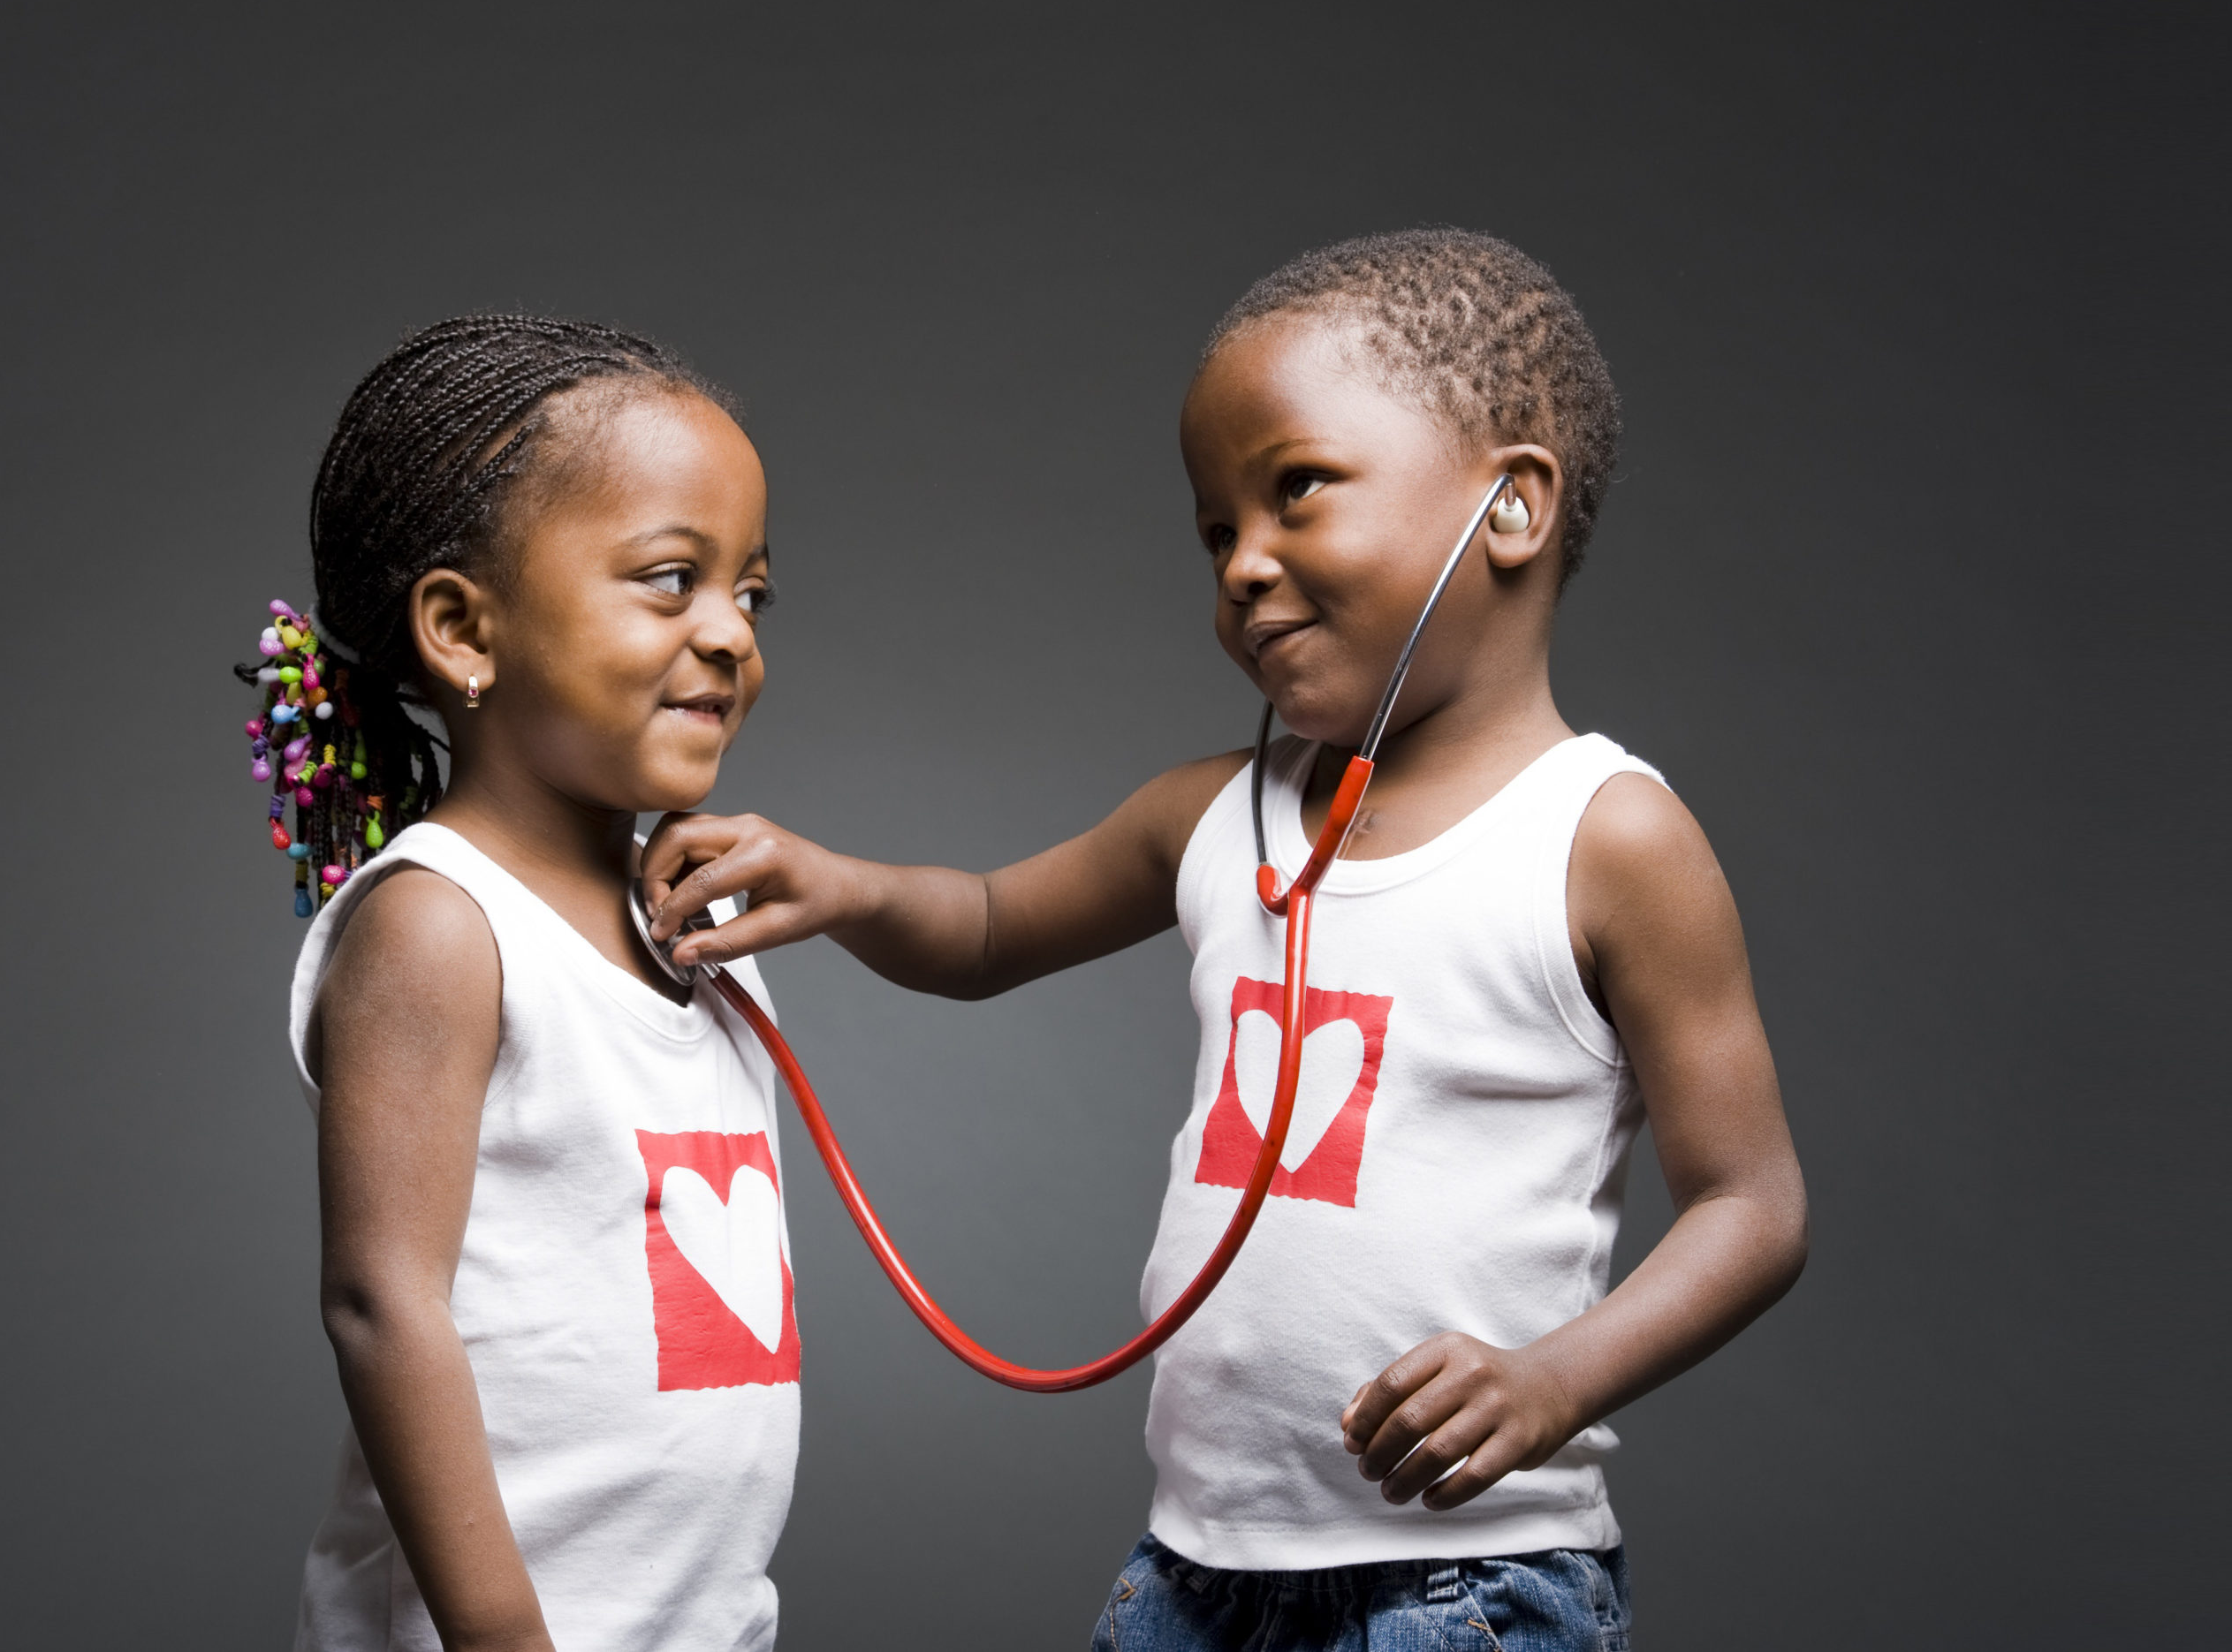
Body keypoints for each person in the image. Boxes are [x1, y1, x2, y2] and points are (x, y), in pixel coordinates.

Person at [640, 230, 1808, 1650]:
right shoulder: (1215, 816)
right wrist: (844, 887)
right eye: (1214, 531)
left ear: (1510, 510)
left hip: (1465, 1586)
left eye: (1296, 491)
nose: (1245, 566)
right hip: (1195, 1572)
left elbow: (1754, 1209)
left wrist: (1554, 1380)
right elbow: (996, 926)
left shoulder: (1608, 840)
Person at [249, 314, 798, 1652]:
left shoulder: (704, 915)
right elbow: (382, 1299)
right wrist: (504, 1638)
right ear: (462, 630)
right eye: (673, 580)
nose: (730, 632)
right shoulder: (441, 925)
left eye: (753, 591)